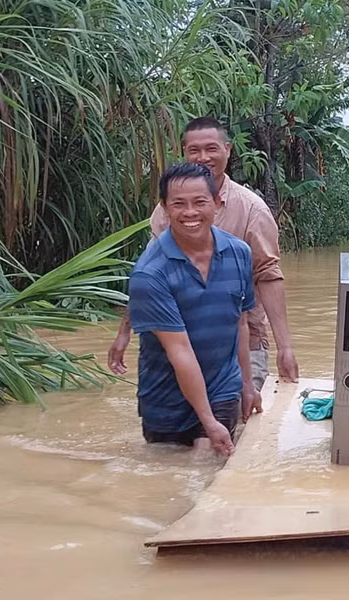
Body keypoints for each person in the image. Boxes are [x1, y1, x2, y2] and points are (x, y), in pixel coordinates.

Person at [108, 117, 299, 390]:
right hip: (180, 341)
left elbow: (268, 276)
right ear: (184, 152)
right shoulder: (167, 210)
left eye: (212, 149)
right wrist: (124, 332)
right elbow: (148, 275)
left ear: (228, 150)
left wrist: (285, 348)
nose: (203, 158)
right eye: (194, 150)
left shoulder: (251, 210)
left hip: (242, 343)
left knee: (234, 422)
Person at [128, 163, 262, 456]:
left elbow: (239, 323)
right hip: (165, 402)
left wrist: (247, 386)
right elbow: (180, 352)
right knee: (173, 486)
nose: (190, 212)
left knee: (205, 469)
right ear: (164, 209)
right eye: (179, 204)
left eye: (199, 202)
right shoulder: (150, 274)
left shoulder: (239, 253)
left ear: (216, 204)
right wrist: (206, 419)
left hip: (222, 387)